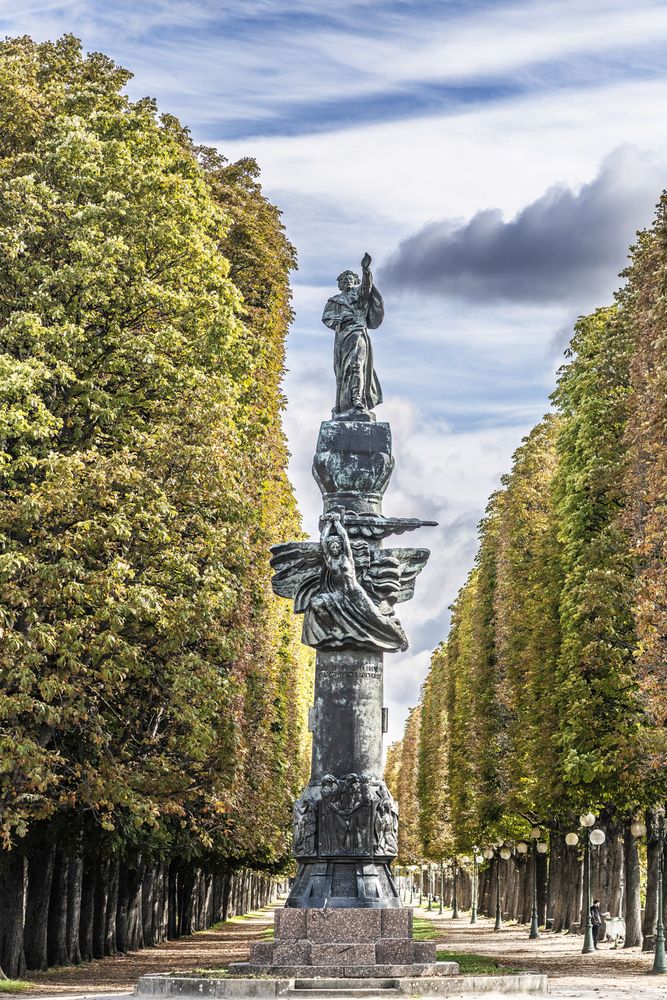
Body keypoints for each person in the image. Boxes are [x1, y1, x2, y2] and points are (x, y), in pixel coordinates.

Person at [321, 252, 384, 418]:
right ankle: (344, 405)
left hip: (359, 334)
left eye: (350, 279)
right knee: (343, 371)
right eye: (344, 279)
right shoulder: (334, 301)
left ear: (356, 282)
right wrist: (341, 319)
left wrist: (366, 270)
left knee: (357, 365)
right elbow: (327, 318)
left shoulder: (361, 296)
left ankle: (358, 401)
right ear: (340, 285)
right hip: (343, 337)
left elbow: (367, 287)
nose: (347, 281)